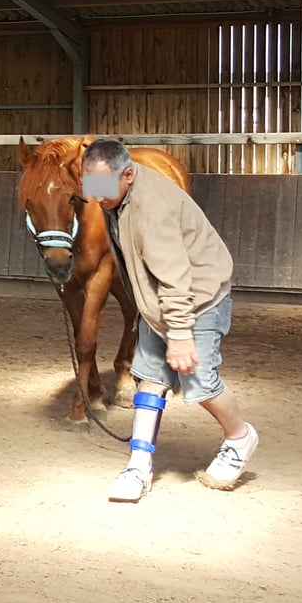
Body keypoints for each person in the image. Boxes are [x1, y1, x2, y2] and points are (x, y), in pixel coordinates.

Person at [81, 139, 258, 503]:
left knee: (200, 382)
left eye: (103, 189)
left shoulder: (153, 209)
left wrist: (179, 335)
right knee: (150, 378)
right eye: (91, 187)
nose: (97, 199)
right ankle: (139, 464)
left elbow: (175, 277)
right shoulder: (116, 192)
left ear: (128, 174)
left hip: (197, 298)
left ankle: (240, 438)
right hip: (158, 300)